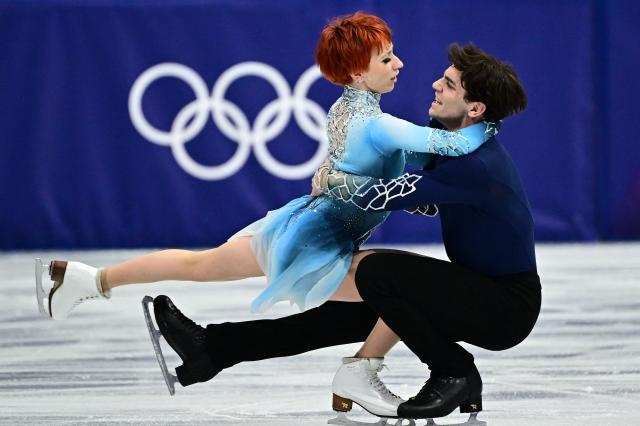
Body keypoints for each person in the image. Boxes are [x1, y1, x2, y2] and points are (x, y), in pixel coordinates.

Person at [152, 42, 539, 422]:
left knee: (373, 271)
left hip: (503, 306)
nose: (436, 85)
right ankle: (212, 349)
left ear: (475, 108)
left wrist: (331, 178)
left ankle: (454, 371)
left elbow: (383, 197)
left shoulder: (476, 166)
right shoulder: (460, 147)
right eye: (443, 78)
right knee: (342, 315)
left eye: (450, 84)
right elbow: (426, 201)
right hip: (477, 289)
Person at [36, 15, 492, 326]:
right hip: (312, 239)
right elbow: (450, 142)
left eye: (393, 53)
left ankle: (90, 279)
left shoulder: (346, 110)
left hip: (304, 221)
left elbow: (378, 176)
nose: (400, 63)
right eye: (387, 58)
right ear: (356, 74)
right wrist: (489, 117)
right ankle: (360, 372)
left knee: (201, 264)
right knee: (407, 297)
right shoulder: (381, 124)